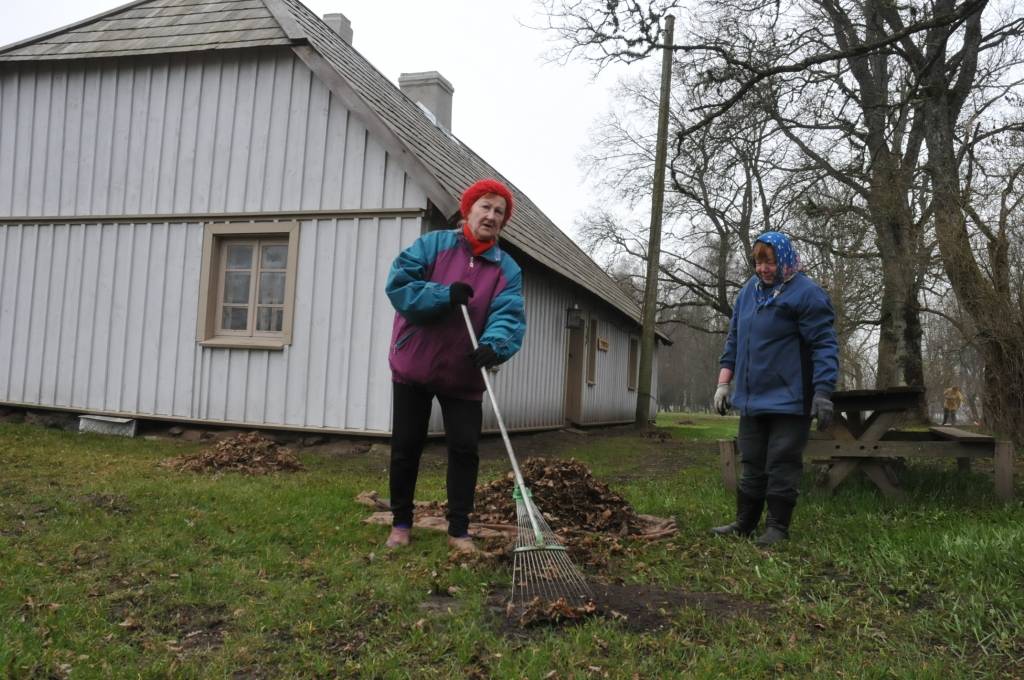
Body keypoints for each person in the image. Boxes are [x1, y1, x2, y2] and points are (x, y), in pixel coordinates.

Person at [383, 178, 526, 553]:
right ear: (469, 210)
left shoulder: (506, 269)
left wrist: (495, 345)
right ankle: (400, 524)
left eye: (499, 212)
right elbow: (399, 286)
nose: (492, 216)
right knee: (406, 447)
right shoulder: (433, 246)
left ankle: (458, 530)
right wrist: (443, 294)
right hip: (415, 364)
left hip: (464, 373)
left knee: (465, 450)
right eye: (486, 207)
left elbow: (508, 313)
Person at [711, 232, 839, 547]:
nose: (762, 269)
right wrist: (723, 383)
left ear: (784, 259)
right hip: (753, 398)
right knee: (752, 460)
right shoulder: (748, 293)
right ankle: (744, 523)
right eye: (757, 262)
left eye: (769, 262)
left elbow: (824, 345)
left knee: (782, 462)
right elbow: (735, 339)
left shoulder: (806, 294)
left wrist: (822, 392)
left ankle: (778, 528)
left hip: (790, 399)